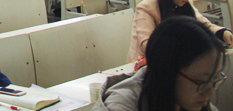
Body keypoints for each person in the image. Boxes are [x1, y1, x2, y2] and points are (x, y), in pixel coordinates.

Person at [96, 16, 227, 111]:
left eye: (215, 80)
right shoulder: (120, 106)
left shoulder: (190, 98)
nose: (210, 92)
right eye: (201, 82)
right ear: (168, 71)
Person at [126, 0, 233, 63]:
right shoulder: (146, 8)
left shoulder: (185, 3)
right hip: (147, 65)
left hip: (178, 61)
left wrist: (222, 32)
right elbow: (148, 46)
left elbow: (203, 25)